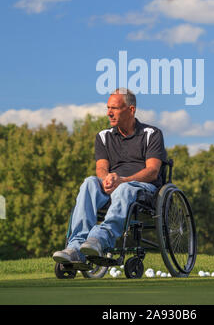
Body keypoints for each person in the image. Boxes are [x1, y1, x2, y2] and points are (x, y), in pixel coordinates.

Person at [53, 88, 167, 264]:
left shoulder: (151, 134)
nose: (109, 113)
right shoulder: (103, 136)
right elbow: (101, 167)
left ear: (131, 110)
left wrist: (122, 180)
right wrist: (107, 178)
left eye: (114, 108)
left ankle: (100, 239)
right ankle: (75, 247)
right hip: (113, 185)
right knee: (90, 182)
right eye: (108, 108)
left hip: (142, 188)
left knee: (125, 189)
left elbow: (152, 171)